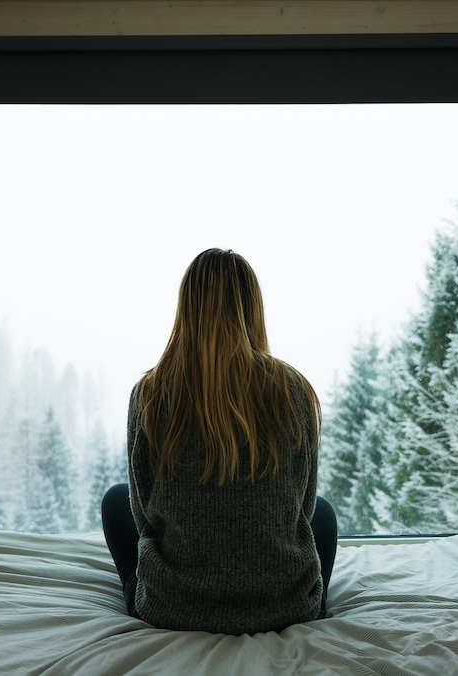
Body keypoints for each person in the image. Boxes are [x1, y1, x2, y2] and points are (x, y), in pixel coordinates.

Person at [101, 248, 337, 635]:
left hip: (173, 609)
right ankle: (300, 597)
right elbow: (303, 505)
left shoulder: (151, 393)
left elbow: (144, 516)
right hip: (286, 608)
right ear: (252, 308)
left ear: (187, 309)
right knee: (323, 513)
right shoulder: (292, 389)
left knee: (116, 499)